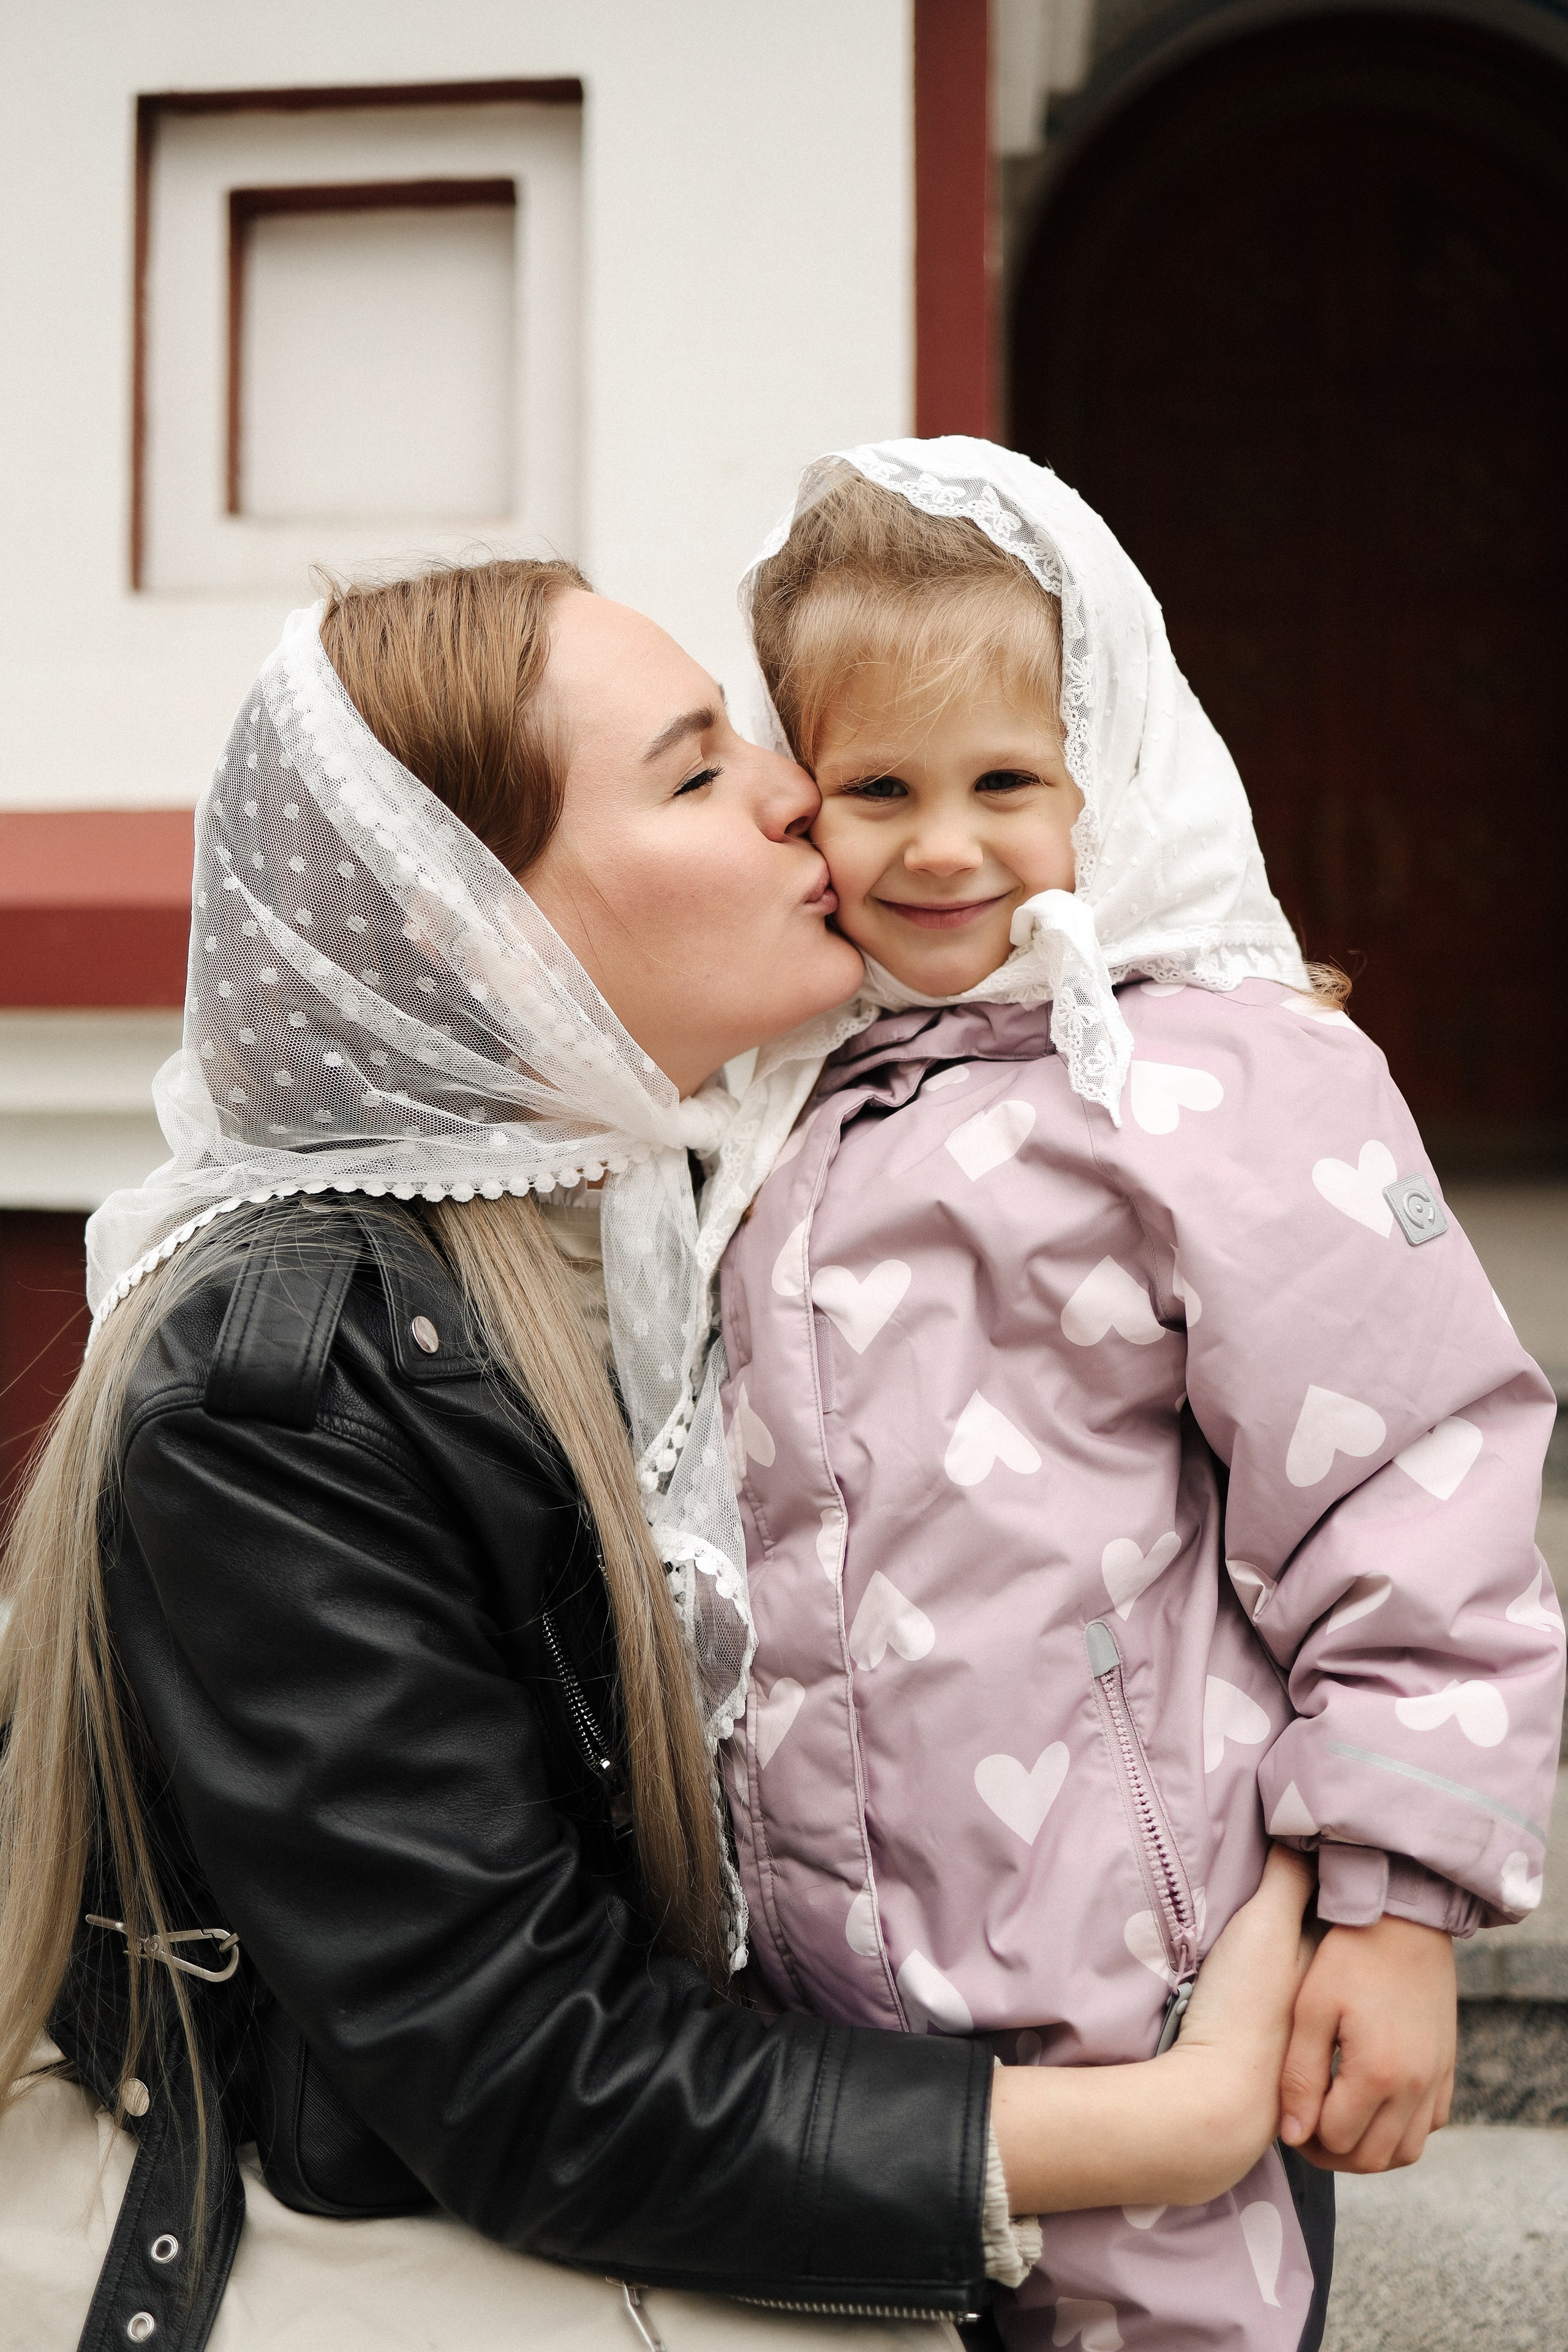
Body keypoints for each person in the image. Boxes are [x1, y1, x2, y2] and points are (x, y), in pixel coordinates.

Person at [0, 559, 1320, 2352]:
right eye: (700, 773)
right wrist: (1167, 2122)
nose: (800, 789)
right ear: (487, 931)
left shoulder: (728, 1200)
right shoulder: (280, 1403)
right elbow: (524, 2066)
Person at [719, 440, 1567, 2352]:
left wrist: (1396, 1907)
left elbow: (1410, 1492)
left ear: (1114, 769)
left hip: (1152, 1973)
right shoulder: (769, 1101)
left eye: (1007, 782)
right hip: (824, 1999)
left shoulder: (1219, 1087)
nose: (944, 847)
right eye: (877, 789)